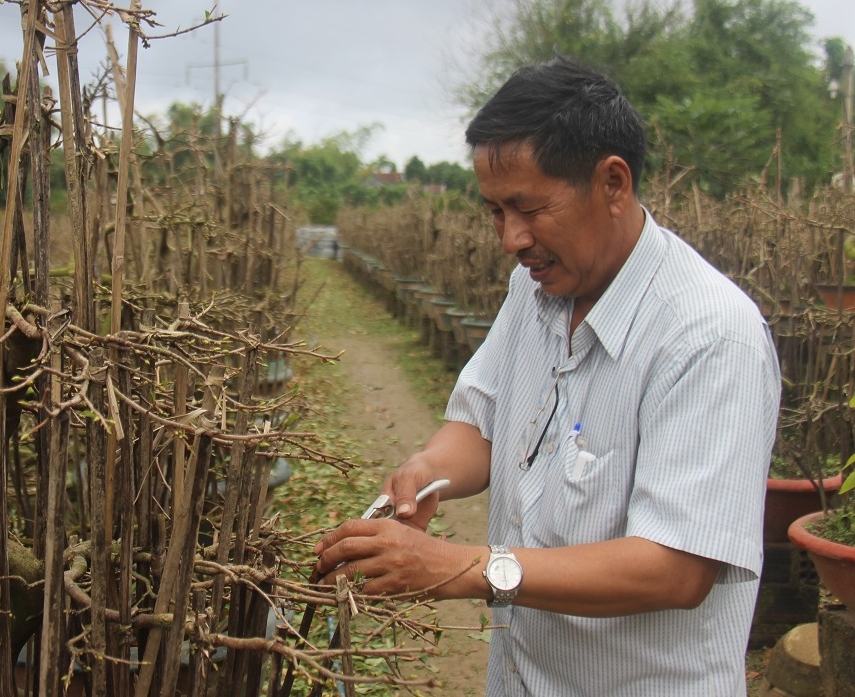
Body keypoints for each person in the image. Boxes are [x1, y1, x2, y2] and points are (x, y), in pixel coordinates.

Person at [314, 58, 779, 696]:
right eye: (495, 212)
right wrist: (427, 470)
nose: (511, 238)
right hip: (521, 677)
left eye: (527, 208)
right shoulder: (536, 291)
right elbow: (482, 421)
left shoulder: (708, 337)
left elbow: (674, 568)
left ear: (613, 183)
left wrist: (466, 567)